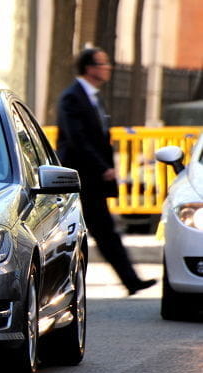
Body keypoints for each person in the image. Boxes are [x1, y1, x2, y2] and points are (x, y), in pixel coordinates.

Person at [56, 47, 156, 296]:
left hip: (92, 179)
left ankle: (131, 281)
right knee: (91, 233)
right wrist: (103, 168)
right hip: (81, 179)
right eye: (103, 64)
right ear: (89, 68)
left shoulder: (93, 97)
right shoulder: (72, 97)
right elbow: (77, 139)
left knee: (103, 232)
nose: (107, 68)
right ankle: (129, 281)